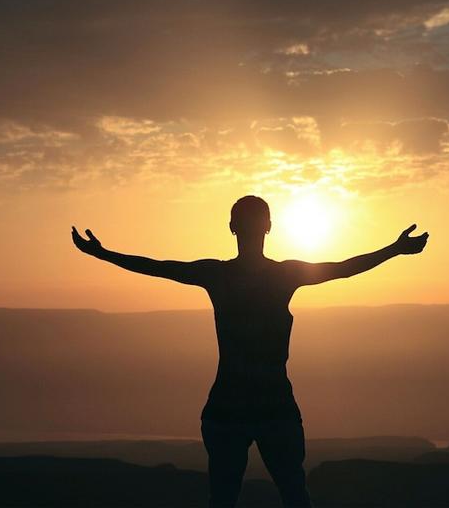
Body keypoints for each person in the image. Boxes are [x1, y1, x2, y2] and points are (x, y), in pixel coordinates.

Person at [72, 195, 429, 507]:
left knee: (229, 498)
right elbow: (343, 269)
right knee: (293, 495)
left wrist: (102, 254)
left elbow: (157, 268)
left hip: (232, 406)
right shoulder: (283, 275)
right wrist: (394, 250)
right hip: (269, 406)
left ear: (231, 227)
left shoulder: (219, 275)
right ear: (269, 227)